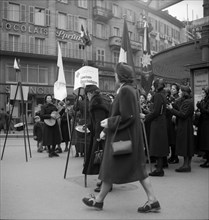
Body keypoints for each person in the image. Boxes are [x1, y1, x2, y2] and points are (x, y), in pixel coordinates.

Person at [82, 62, 160, 213]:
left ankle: (99, 201)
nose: (114, 76)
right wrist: (107, 127)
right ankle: (152, 200)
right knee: (136, 169)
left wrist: (109, 122)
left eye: (115, 74)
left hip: (123, 139)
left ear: (121, 76)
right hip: (128, 138)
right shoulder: (130, 90)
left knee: (109, 168)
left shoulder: (125, 91)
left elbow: (127, 116)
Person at [82, 85, 110, 193]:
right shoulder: (102, 100)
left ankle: (105, 182)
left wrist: (99, 137)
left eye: (87, 95)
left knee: (102, 159)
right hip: (104, 133)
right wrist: (88, 125)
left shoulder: (96, 103)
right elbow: (95, 120)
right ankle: (103, 180)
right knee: (103, 158)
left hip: (101, 134)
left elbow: (99, 121)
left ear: (89, 93)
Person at [141, 78, 169, 177]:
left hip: (157, 123)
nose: (152, 86)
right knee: (159, 146)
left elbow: (156, 112)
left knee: (158, 146)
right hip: (160, 122)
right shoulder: (162, 95)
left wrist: (145, 117)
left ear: (157, 86)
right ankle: (159, 168)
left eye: (153, 84)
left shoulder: (157, 95)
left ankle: (159, 169)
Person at [167, 85, 194, 172]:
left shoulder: (188, 102)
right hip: (186, 125)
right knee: (187, 145)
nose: (179, 93)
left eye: (180, 91)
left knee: (185, 145)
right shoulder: (187, 101)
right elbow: (181, 110)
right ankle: (187, 165)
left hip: (185, 126)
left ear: (184, 92)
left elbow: (183, 114)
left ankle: (186, 165)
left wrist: (172, 109)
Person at [196, 87, 209, 168]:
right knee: (205, 142)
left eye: (204, 93)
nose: (202, 94)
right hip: (203, 123)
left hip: (207, 123)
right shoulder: (204, 101)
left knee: (207, 142)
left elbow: (207, 111)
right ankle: (207, 159)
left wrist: (201, 107)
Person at [167, 83, 180, 164]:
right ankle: (172, 156)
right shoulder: (170, 98)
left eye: (174, 89)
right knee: (171, 139)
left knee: (174, 139)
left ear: (177, 90)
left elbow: (179, 110)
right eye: (171, 88)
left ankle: (175, 157)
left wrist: (175, 115)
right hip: (169, 120)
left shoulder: (178, 99)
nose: (172, 90)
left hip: (175, 121)